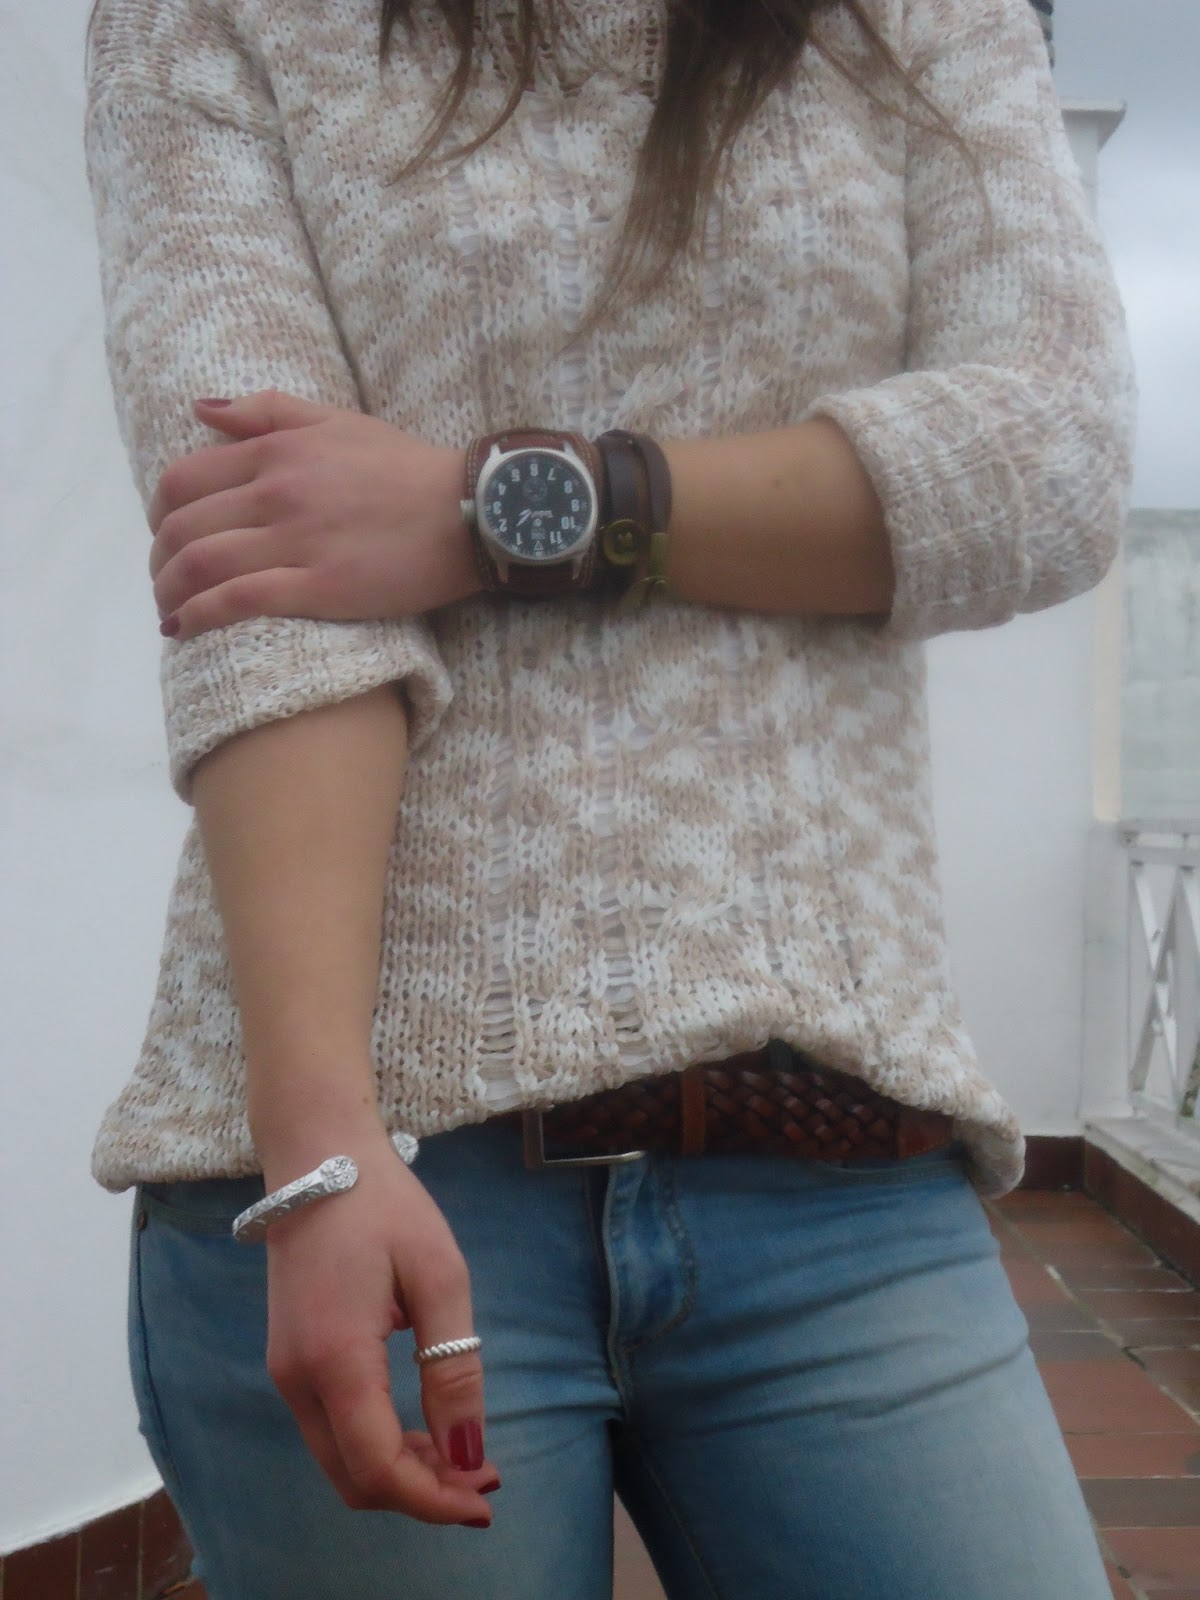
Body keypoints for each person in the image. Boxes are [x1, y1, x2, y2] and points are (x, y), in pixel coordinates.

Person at [83, 0, 1135, 1594]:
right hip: (375, 1156)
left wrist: (496, 507)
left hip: (834, 1157)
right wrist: (322, 1146)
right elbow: (269, 583)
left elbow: (1051, 460)